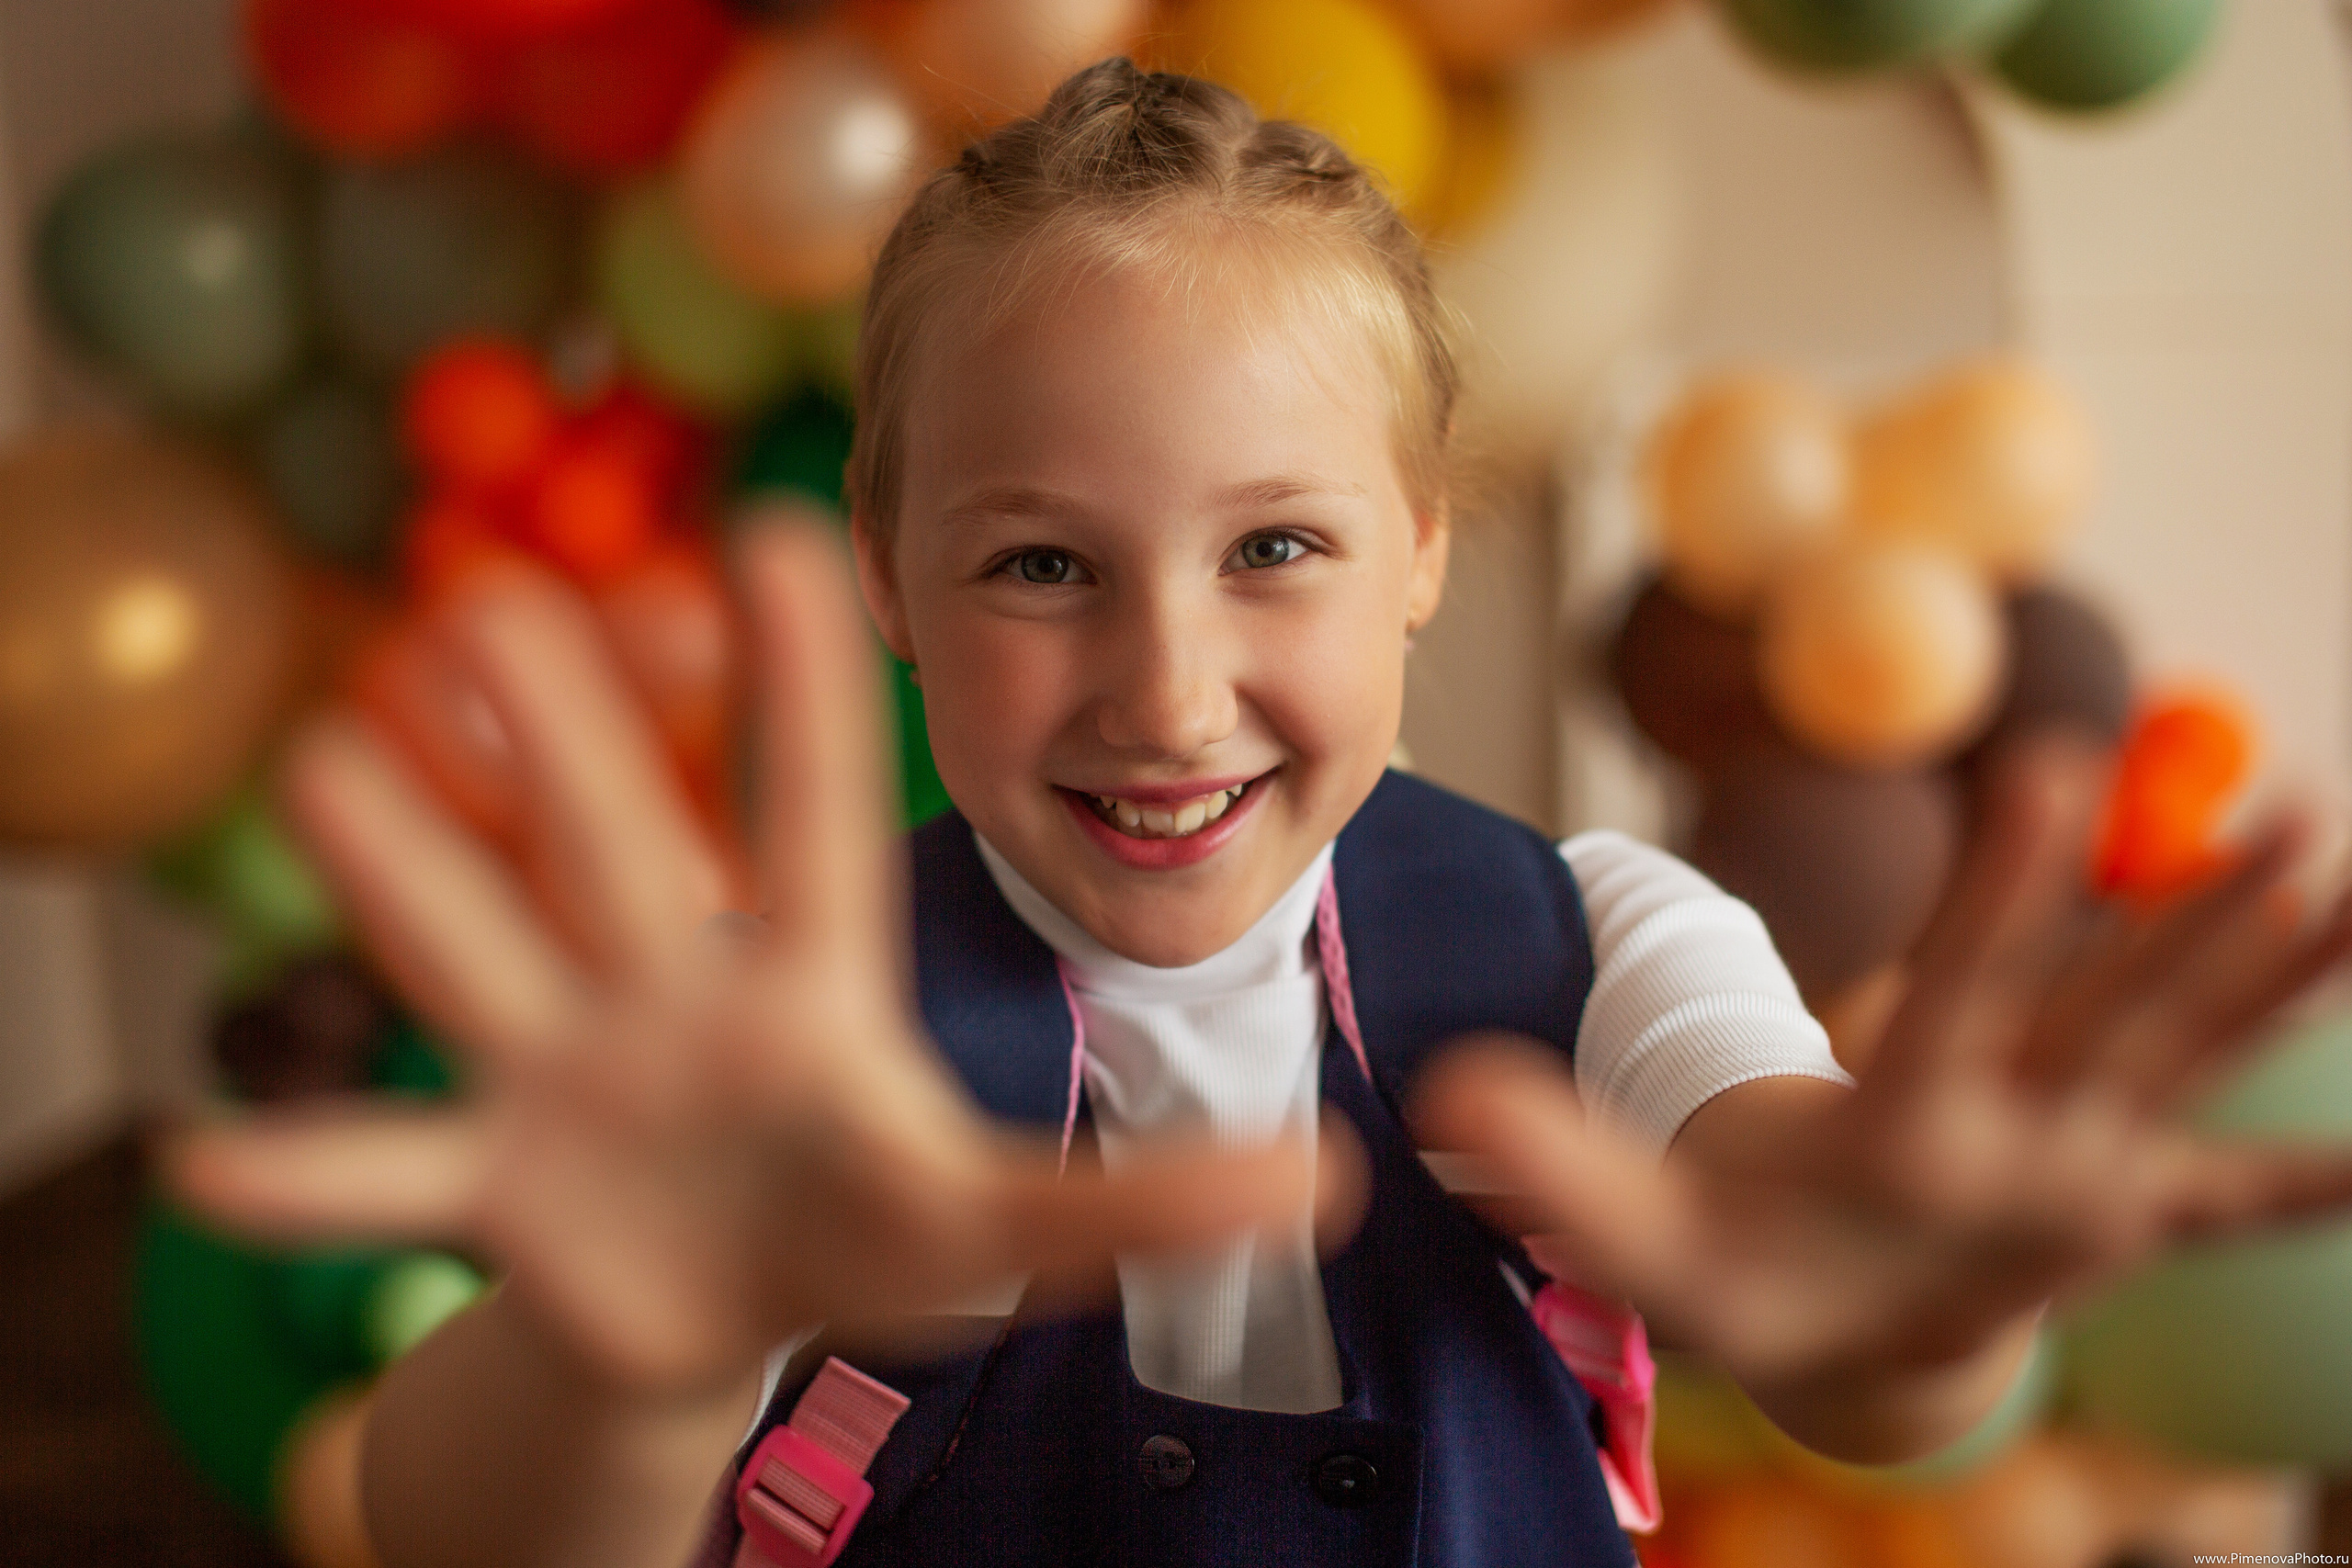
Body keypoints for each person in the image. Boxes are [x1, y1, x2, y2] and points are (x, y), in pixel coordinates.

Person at [172, 60, 2352, 1568]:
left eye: (1274, 550)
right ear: (879, 567)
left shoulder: (1600, 939)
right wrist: (603, 1349)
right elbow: (467, 1523)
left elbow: (1817, 1275)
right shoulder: (778, 1036)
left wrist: (1915, 1298)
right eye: (1041, 563)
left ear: (1420, 543)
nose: (1165, 685)